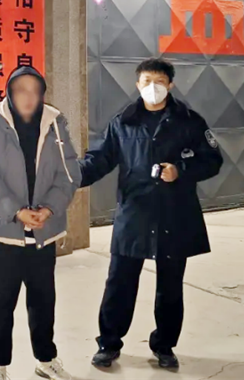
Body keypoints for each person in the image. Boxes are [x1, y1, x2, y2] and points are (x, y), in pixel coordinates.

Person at [80, 59, 223, 370]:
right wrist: (70, 176)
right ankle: (108, 344)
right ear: (137, 85)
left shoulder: (189, 121)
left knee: (170, 286)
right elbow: (99, 159)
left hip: (175, 214)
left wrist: (181, 170)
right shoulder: (123, 123)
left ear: (170, 85)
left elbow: (213, 160)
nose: (153, 87)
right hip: (134, 214)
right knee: (119, 282)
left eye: (159, 81)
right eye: (147, 81)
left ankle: (164, 346)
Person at [0, 66, 82, 380]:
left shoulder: (55, 125)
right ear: (9, 93)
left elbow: (69, 173)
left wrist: (49, 209)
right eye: (21, 90)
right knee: (1, 303)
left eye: (35, 90)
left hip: (43, 230)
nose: (29, 97)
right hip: (5, 231)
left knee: (43, 299)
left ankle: (45, 360)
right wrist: (16, 211)